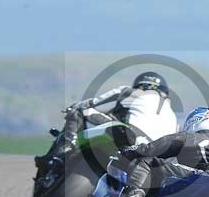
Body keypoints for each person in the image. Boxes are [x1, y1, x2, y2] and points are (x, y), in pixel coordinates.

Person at [35, 71, 178, 172]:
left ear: (141, 85)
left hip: (130, 136)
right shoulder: (174, 117)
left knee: (78, 113)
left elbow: (94, 102)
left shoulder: (132, 92)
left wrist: (75, 106)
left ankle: (58, 157)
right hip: (154, 157)